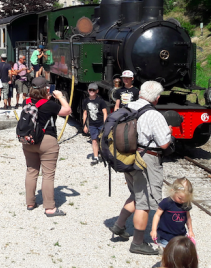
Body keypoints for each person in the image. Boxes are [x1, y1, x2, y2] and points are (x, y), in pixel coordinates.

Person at [108, 80, 173, 255]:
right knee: (143, 203)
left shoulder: (129, 106)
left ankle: (119, 225)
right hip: (146, 160)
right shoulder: (154, 115)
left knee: (136, 194)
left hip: (127, 157)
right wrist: (169, 131)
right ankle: (137, 243)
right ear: (157, 98)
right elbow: (165, 144)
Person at [21, 76, 72, 216]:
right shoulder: (49, 105)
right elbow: (67, 111)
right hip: (47, 141)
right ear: (46, 89)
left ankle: (30, 202)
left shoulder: (26, 102)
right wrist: (61, 97)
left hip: (28, 141)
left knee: (31, 171)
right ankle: (50, 208)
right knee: (48, 174)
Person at [151, 178, 194, 251]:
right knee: (167, 253)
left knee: (178, 253)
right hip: (166, 235)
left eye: (185, 199)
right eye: (180, 198)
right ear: (172, 191)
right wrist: (153, 230)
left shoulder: (185, 204)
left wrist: (190, 230)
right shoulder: (166, 202)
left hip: (180, 235)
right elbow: (157, 215)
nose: (183, 201)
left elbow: (188, 217)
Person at [82, 83, 108, 165]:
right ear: (88, 90)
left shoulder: (101, 101)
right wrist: (85, 125)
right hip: (92, 124)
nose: (92, 91)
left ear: (97, 91)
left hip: (100, 123)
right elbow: (85, 113)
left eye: (93, 90)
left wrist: (105, 124)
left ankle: (105, 155)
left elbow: (105, 113)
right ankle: (96, 157)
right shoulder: (85, 101)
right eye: (90, 90)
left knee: (103, 140)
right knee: (94, 140)